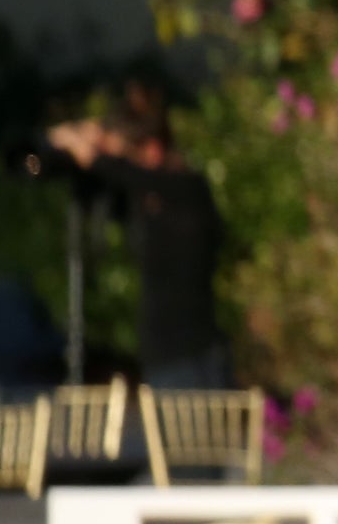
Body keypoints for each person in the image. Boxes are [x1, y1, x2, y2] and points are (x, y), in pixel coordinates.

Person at [44, 85, 229, 392]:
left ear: (153, 150)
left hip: (191, 355)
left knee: (193, 441)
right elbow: (119, 181)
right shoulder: (150, 197)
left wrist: (90, 151)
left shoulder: (187, 189)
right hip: (167, 354)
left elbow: (127, 173)